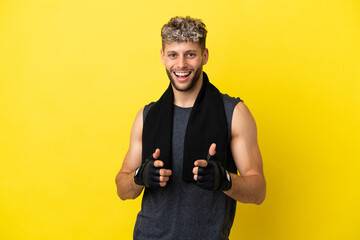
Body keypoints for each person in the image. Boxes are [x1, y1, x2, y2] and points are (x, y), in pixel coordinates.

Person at [115, 16, 266, 240]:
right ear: (163, 57)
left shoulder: (234, 113)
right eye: (173, 55)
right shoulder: (147, 117)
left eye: (191, 54)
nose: (181, 64)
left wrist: (224, 180)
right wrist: (139, 176)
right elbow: (122, 188)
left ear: (204, 56)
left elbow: (258, 191)